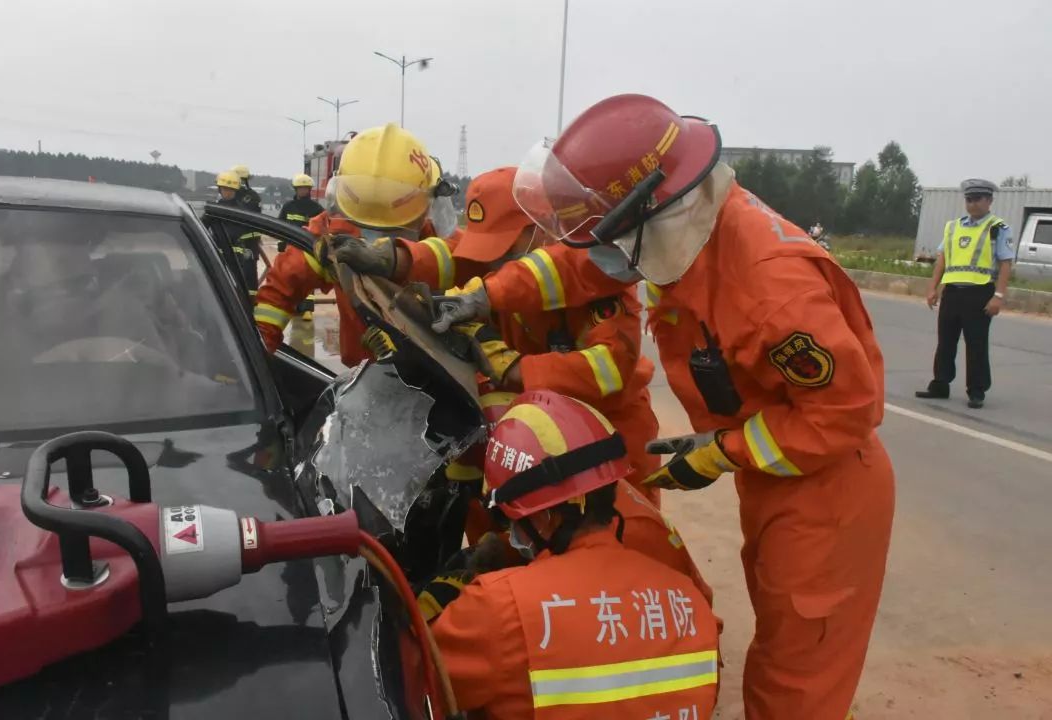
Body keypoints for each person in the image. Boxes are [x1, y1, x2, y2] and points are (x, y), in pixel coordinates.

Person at [433, 94, 895, 720]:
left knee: (798, 664)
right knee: (776, 622)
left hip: (826, 482)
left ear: (652, 211)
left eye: (613, 233)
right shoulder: (682, 226)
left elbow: (845, 412)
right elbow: (578, 265)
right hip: (780, 465)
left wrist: (722, 452)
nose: (606, 254)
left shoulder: (773, 292)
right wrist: (489, 296)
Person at [337, 167, 662, 498]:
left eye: (504, 249)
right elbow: (448, 256)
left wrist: (514, 368)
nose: (495, 263)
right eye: (487, 250)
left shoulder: (600, 277)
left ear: (541, 228)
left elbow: (610, 372)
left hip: (608, 432)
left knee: (616, 537)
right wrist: (394, 258)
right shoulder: (497, 258)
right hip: (529, 425)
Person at [428, 389, 720, 719]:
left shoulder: (497, 606)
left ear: (542, 517)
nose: (510, 533)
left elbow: (420, 682)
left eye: (510, 520)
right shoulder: (688, 602)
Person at [253, 124, 460, 365]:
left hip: (438, 373)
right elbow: (282, 288)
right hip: (367, 374)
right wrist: (257, 353)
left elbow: (471, 261)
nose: (378, 236)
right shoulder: (332, 235)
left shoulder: (436, 239)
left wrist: (400, 260)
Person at [916, 178, 1013, 409]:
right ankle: (940, 384)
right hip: (953, 292)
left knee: (976, 344)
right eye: (968, 199)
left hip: (980, 293)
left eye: (977, 199)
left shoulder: (997, 228)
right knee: (945, 341)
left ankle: (976, 391)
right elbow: (943, 259)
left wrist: (998, 296)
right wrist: (933, 288)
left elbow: (1006, 263)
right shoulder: (953, 226)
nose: (972, 204)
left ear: (989, 200)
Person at [277, 173, 325, 320]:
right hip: (290, 247)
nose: (303, 191)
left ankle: (307, 309)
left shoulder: (316, 208)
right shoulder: (288, 207)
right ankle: (292, 306)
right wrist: (281, 243)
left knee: (307, 279)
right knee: (290, 278)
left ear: (309, 190)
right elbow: (280, 225)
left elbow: (322, 229)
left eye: (305, 188)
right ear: (295, 189)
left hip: (307, 248)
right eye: (300, 188)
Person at [213, 170, 259, 293]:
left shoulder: (241, 211)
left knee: (238, 289)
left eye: (230, 190)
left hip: (237, 258)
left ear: (235, 191)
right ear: (220, 190)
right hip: (216, 256)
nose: (227, 193)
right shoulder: (213, 209)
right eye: (224, 189)